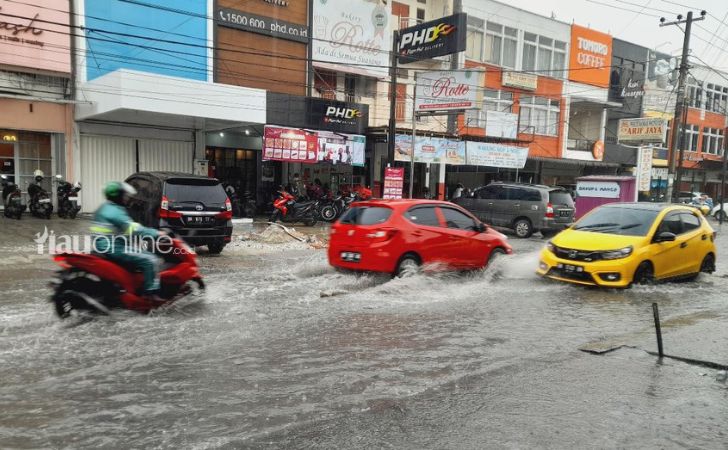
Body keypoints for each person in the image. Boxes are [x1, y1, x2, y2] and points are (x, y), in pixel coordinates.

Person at [90, 182, 164, 299]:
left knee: (140, 254)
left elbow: (123, 230)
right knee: (151, 259)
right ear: (118, 196)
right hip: (114, 248)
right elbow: (133, 229)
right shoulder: (114, 211)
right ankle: (150, 295)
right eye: (124, 196)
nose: (127, 198)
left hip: (105, 245)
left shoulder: (105, 207)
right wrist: (157, 233)